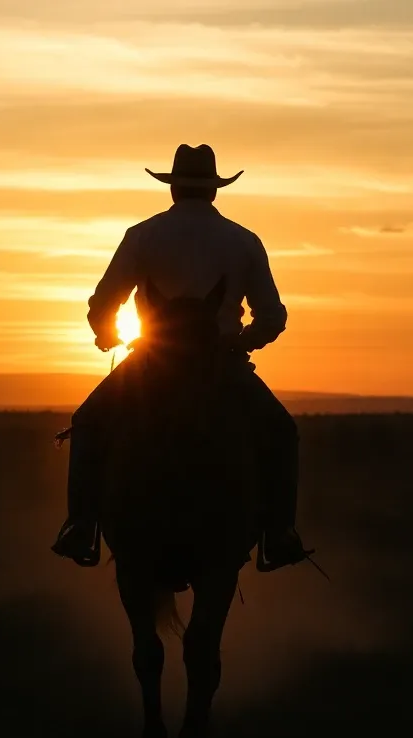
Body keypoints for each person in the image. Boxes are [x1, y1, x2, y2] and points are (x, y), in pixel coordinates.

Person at [52, 143, 309, 571]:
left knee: (88, 421)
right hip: (222, 367)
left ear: (172, 189)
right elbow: (273, 317)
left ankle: (81, 527)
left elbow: (102, 304)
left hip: (152, 363)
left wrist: (108, 334)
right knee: (281, 431)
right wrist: (243, 342)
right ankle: (279, 534)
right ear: (214, 190)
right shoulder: (244, 241)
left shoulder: (143, 235)